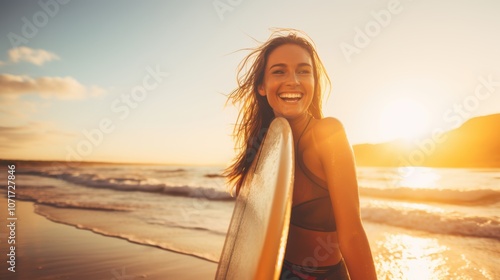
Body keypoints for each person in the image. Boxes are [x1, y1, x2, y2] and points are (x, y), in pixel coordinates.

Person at [224, 29, 377, 280]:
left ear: (314, 83)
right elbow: (250, 243)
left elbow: (351, 234)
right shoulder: (261, 150)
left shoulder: (327, 134)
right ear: (262, 86)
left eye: (304, 71)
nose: (293, 80)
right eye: (279, 71)